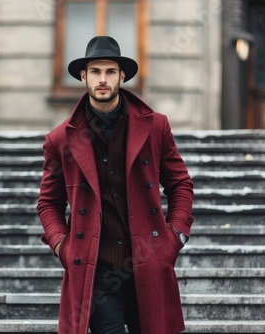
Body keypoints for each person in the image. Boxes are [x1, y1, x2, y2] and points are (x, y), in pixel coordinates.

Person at [37, 36, 194, 334]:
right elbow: (48, 203)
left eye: (110, 72)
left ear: (122, 76)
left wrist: (176, 236)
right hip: (95, 268)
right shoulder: (60, 140)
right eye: (95, 72)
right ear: (83, 77)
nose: (103, 79)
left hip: (147, 261)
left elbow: (180, 184)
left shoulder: (155, 126)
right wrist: (62, 245)